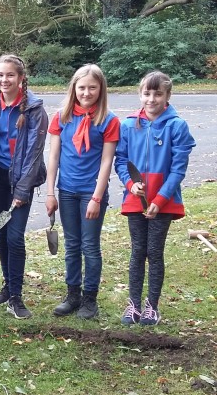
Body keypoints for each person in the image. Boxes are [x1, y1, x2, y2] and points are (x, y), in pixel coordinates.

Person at [115, 71, 195, 326]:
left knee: (154, 251)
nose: (151, 99)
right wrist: (130, 184)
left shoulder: (177, 126)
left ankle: (152, 306)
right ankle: (134, 305)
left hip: (164, 200)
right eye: (147, 93)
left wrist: (159, 200)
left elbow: (178, 170)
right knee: (138, 250)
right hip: (135, 200)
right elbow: (121, 161)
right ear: (140, 94)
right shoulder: (128, 125)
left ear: (167, 96)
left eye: (157, 94)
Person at [45, 64, 119, 320]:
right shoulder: (61, 117)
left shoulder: (109, 120)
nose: (86, 93)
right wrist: (50, 192)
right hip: (66, 191)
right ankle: (72, 294)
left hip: (91, 192)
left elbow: (106, 162)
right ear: (73, 88)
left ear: (101, 89)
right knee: (72, 245)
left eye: (92, 88)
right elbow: (53, 156)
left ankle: (90, 298)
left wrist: (97, 197)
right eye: (82, 87)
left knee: (90, 246)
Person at [0, 54, 48, 319]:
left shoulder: (34, 110)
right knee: (0, 231)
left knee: (14, 235)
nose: (4, 80)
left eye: (10, 75)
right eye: (0, 75)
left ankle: (17, 297)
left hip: (22, 180)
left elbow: (34, 154)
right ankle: (8, 285)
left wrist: (22, 190)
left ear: (21, 78)